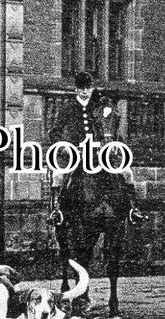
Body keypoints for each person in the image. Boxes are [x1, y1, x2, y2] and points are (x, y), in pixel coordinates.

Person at [46, 71, 146, 225]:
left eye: (88, 88)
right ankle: (56, 211)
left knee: (126, 172)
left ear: (92, 89)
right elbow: (54, 132)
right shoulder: (67, 108)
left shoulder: (97, 107)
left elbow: (110, 128)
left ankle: (133, 209)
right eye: (81, 88)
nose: (85, 91)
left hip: (97, 153)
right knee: (58, 175)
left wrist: (115, 145)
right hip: (74, 154)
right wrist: (65, 149)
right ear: (76, 90)